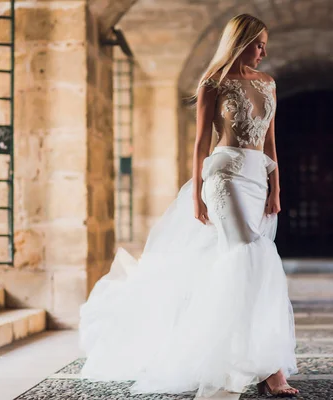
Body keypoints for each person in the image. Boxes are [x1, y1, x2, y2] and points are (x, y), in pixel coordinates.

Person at [78, 13, 299, 398]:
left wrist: (276, 187)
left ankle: (245, 355)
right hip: (224, 178)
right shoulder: (213, 82)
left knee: (249, 261)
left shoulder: (268, 84)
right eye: (258, 42)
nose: (264, 51)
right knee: (250, 253)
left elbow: (271, 142)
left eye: (266, 44)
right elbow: (200, 144)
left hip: (256, 179)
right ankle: (270, 370)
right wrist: (197, 193)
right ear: (240, 40)